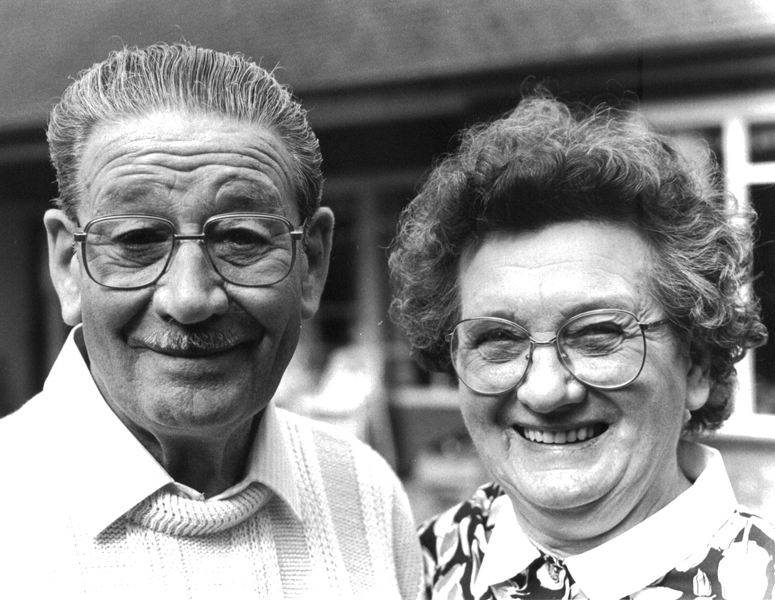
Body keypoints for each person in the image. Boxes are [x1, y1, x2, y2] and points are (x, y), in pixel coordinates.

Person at [0, 43, 421, 598]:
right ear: (68, 267)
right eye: (137, 240)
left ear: (312, 264)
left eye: (242, 238)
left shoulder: (365, 493)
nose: (191, 299)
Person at [389, 92, 775, 599]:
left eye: (598, 335)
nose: (546, 392)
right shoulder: (413, 569)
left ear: (698, 366)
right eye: (498, 339)